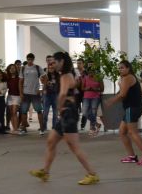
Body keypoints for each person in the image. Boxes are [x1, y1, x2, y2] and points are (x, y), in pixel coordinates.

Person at [30, 52, 99, 185]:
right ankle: (45, 172)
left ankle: (92, 174)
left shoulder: (66, 75)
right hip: (66, 113)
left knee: (74, 146)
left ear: (61, 61)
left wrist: (59, 108)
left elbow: (62, 94)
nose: (52, 64)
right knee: (51, 141)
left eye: (54, 62)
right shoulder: (65, 74)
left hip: (68, 113)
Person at [106, 61, 142, 165]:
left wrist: (111, 101)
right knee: (122, 132)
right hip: (131, 108)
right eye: (119, 68)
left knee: (132, 132)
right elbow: (123, 93)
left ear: (128, 68)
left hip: (132, 108)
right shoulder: (126, 78)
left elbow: (122, 94)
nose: (120, 69)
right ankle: (132, 156)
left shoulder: (128, 77)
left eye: (122, 67)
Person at [19, 53, 43, 135]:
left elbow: (45, 78)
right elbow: (20, 82)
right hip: (25, 93)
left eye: (31, 59)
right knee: (24, 111)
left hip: (35, 93)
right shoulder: (23, 68)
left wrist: (41, 89)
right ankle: (23, 128)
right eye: (28, 59)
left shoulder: (37, 67)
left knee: (39, 110)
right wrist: (21, 93)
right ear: (27, 59)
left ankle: (42, 128)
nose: (30, 61)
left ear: (33, 59)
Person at [81, 67, 102, 136]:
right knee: (84, 112)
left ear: (95, 72)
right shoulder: (85, 78)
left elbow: (102, 89)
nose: (90, 73)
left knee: (93, 112)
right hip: (86, 97)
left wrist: (95, 89)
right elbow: (82, 88)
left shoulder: (99, 78)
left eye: (92, 72)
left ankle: (92, 128)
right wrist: (86, 88)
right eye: (89, 72)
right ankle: (97, 124)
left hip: (95, 97)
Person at [40, 61, 59, 134]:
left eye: (52, 67)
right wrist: (45, 80)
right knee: (45, 112)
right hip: (47, 95)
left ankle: (54, 127)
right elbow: (42, 81)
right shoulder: (45, 75)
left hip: (55, 95)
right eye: (49, 67)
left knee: (55, 113)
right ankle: (44, 127)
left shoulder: (58, 75)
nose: (51, 68)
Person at [5, 64, 21, 133]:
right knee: (11, 113)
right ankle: (14, 129)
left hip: (17, 96)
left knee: (14, 112)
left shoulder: (19, 78)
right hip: (10, 96)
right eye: (10, 68)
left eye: (13, 68)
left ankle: (16, 129)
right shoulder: (7, 78)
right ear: (8, 70)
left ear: (16, 69)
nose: (12, 69)